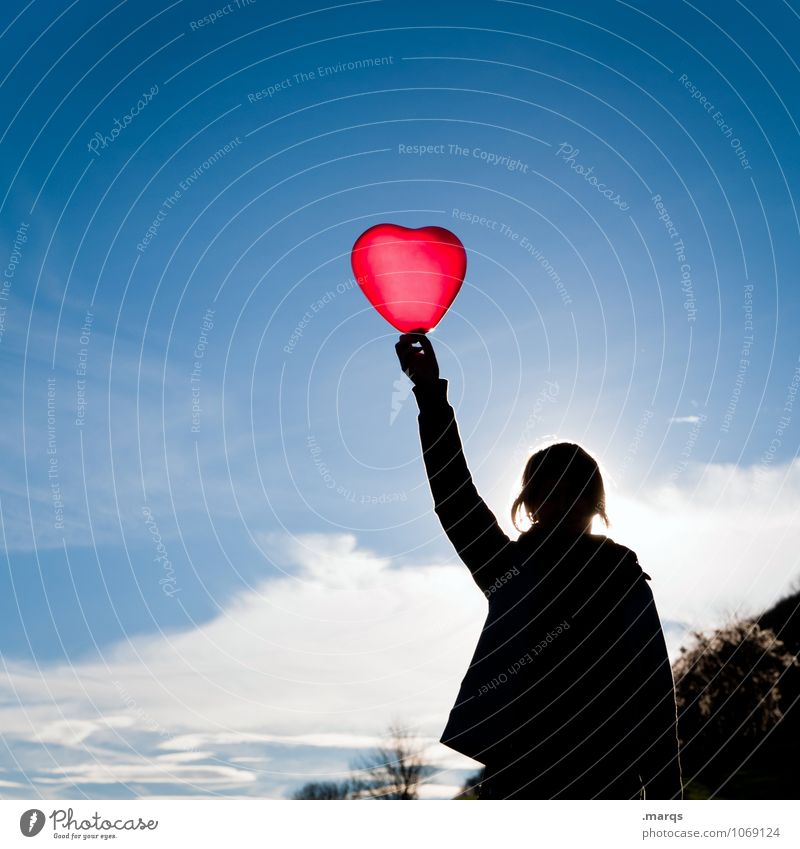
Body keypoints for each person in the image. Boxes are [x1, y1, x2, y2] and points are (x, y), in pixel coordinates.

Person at [395, 332, 682, 800]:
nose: (560, 502)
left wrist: (669, 800)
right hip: (526, 774)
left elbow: (653, 693)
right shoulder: (514, 568)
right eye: (548, 491)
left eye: (572, 490)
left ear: (592, 504)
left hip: (601, 777)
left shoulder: (617, 576)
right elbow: (455, 497)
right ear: (531, 503)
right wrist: (429, 395)